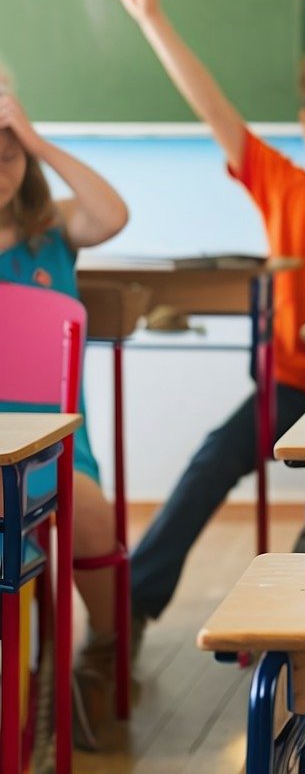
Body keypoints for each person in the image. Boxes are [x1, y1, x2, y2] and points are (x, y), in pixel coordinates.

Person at [115, 0, 305, 644]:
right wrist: (151, 19)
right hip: (290, 384)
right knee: (214, 458)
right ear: (304, 127)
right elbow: (213, 107)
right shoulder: (282, 185)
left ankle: (297, 636)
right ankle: (130, 609)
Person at [0, 85, 130, 750]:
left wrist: (40, 141)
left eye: (9, 153)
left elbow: (111, 214)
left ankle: (103, 652)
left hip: (52, 447)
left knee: (91, 516)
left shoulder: (49, 233)